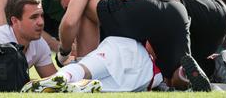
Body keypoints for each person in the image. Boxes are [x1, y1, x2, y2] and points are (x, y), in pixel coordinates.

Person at [59, 0, 211, 91]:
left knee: (84, 5)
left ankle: (84, 70)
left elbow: (70, 21)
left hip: (140, 6)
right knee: (174, 75)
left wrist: (63, 52)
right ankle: (186, 75)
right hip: (176, 10)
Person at [22, 36, 163, 93]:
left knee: (85, 69)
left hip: (128, 49)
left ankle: (65, 77)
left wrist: (64, 53)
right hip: (148, 76)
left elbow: (69, 24)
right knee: (99, 85)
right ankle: (75, 87)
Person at [0, 0, 57, 78]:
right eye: (34, 17)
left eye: (42, 16)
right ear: (14, 21)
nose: (41, 22)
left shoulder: (39, 43)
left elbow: (54, 81)